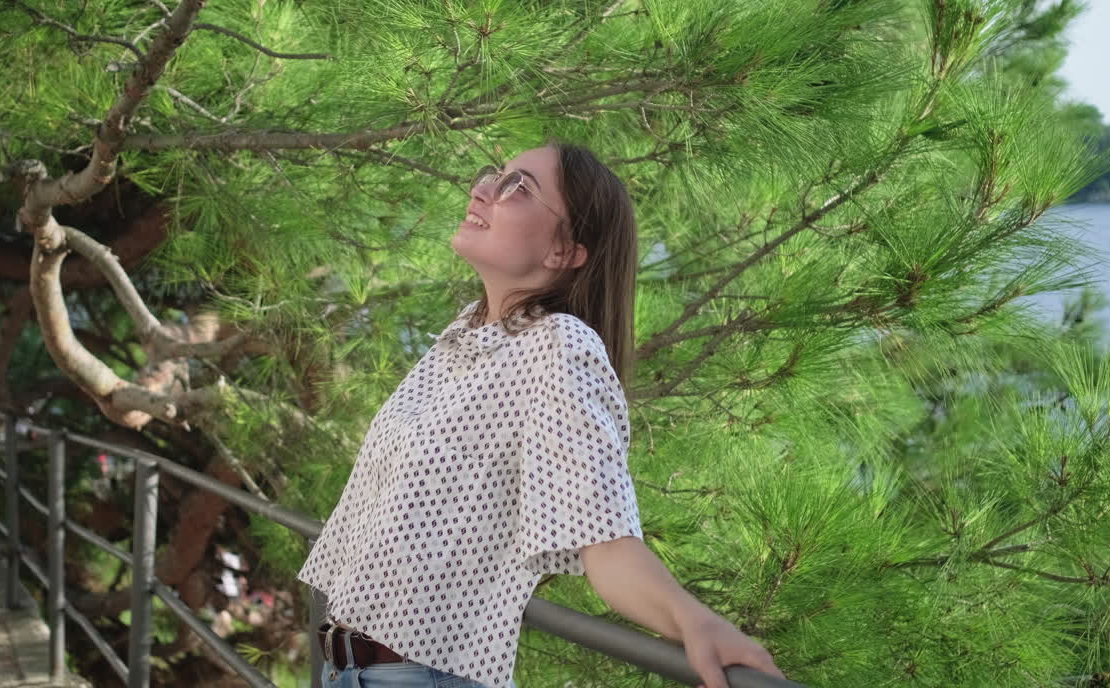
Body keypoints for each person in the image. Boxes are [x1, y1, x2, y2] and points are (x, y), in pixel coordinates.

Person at [297, 144, 786, 688]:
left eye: (518, 188)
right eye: (493, 177)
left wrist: (693, 621)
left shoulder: (558, 345)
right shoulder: (462, 339)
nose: (482, 190)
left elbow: (604, 536)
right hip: (343, 669)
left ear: (566, 251)